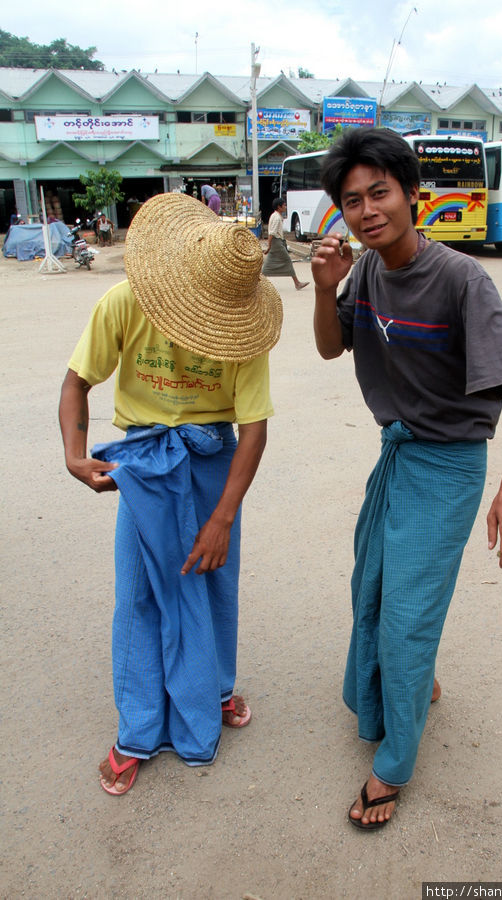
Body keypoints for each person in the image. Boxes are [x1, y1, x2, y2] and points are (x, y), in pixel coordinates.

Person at [311, 128, 502, 831]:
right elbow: (330, 346)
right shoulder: (368, 271)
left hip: (448, 466)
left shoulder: (461, 277)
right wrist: (325, 290)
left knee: (407, 615)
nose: (367, 210)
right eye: (352, 200)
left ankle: (393, 765)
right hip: (398, 454)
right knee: (374, 588)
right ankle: (411, 686)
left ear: (414, 195)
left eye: (379, 193)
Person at [59, 193, 282, 795]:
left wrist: (223, 518)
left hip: (214, 461)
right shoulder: (126, 301)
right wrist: (74, 456)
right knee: (140, 593)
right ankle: (137, 729)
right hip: (146, 464)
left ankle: (215, 692)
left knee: (214, 583)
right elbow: (77, 381)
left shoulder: (241, 326)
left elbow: (254, 428)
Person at [262, 197, 309, 290]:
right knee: (287, 260)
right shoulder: (276, 218)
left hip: (277, 242)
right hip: (276, 243)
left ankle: (258, 281)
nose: (285, 207)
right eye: (284, 205)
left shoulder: (276, 216)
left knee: (268, 263)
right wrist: (269, 246)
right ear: (279, 207)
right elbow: (272, 233)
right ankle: (297, 283)